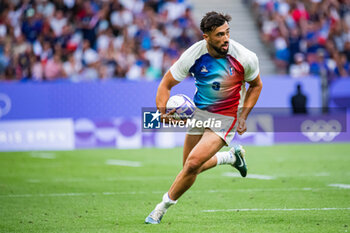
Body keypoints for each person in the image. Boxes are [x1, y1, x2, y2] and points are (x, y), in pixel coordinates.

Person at [145, 11, 263, 224]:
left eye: (227, 33)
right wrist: (162, 113)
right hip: (199, 115)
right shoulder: (193, 55)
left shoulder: (245, 57)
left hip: (226, 118)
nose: (225, 38)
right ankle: (231, 157)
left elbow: (256, 85)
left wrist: (244, 115)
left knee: (192, 164)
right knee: (189, 168)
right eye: (219, 35)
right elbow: (165, 84)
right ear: (206, 37)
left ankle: (160, 208)